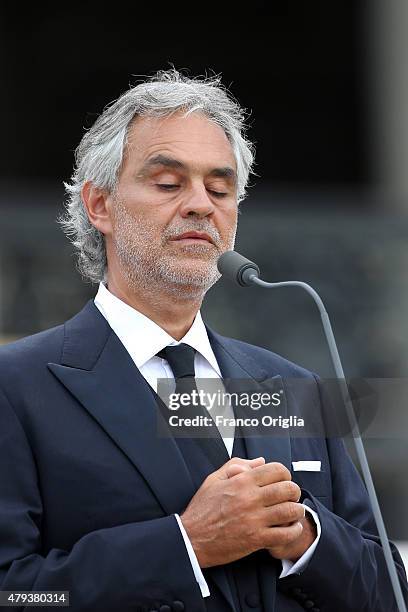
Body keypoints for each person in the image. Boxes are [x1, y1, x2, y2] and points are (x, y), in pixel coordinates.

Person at [0, 69, 406, 612]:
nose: (200, 205)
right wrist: (185, 545)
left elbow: (389, 592)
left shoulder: (290, 385)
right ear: (100, 206)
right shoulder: (16, 386)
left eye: (220, 188)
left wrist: (306, 538)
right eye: (168, 184)